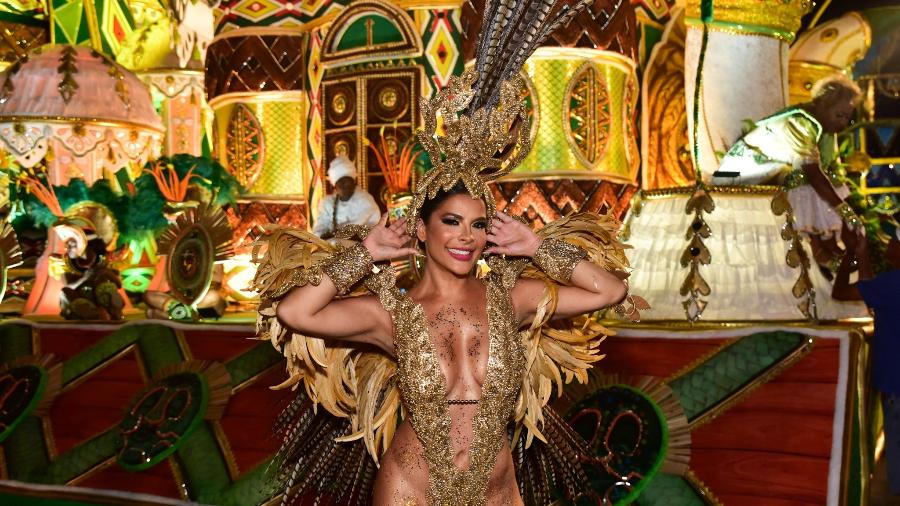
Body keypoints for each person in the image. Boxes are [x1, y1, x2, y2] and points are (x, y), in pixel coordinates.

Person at [251, 2, 644, 503]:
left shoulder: (511, 298)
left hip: (496, 488)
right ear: (421, 229)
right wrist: (365, 253)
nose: (465, 237)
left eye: (478, 224)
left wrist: (538, 246)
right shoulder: (391, 314)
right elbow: (295, 310)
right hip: (410, 487)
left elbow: (610, 289)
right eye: (451, 222)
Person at [712, 75, 865, 268]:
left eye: (847, 118)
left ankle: (829, 244)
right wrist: (846, 211)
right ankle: (818, 245)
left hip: (768, 174)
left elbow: (829, 171)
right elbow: (815, 176)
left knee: (828, 180)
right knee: (804, 178)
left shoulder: (820, 125)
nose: (843, 123)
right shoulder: (800, 122)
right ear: (822, 104)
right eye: (839, 115)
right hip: (737, 178)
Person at [832, 224, 900, 497]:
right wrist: (862, 255)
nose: (887, 247)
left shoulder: (894, 283)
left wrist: (852, 256)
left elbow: (841, 292)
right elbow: (873, 292)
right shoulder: (889, 285)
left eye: (892, 242)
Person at [312, 155, 380, 239]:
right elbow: (318, 230)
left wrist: (337, 235)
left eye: (347, 181)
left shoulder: (365, 200)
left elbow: (369, 229)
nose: (344, 186)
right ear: (335, 186)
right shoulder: (328, 203)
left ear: (353, 182)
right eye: (340, 183)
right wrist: (324, 237)